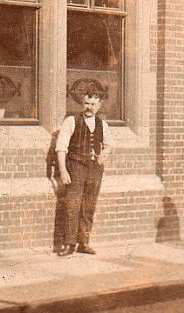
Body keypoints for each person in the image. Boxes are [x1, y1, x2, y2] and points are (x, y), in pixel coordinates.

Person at [55, 92, 113, 256]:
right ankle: (69, 244)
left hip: (94, 170)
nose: (89, 107)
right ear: (82, 103)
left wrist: (103, 155)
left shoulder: (103, 124)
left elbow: (109, 145)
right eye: (87, 103)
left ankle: (84, 243)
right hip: (76, 167)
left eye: (93, 104)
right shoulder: (71, 121)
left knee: (89, 206)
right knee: (73, 205)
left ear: (99, 106)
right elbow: (61, 147)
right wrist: (63, 170)